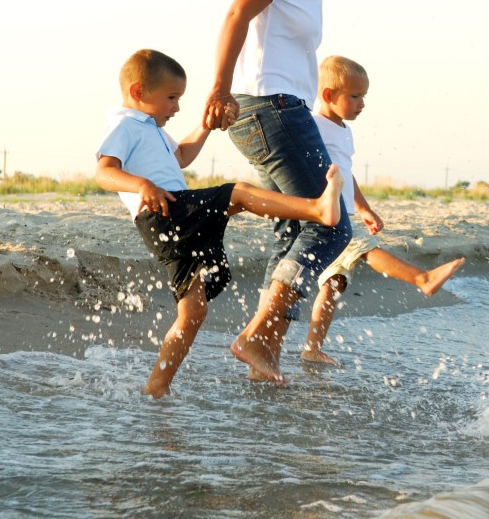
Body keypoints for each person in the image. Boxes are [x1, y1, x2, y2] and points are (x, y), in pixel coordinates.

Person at [201, 0, 395, 385]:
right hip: (271, 107)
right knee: (332, 225)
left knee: (295, 229)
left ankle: (267, 354)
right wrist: (220, 88)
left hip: (281, 108)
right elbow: (238, 11)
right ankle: (258, 337)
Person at [95, 49, 344, 398]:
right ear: (138, 92)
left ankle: (156, 389)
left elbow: (181, 155)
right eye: (171, 98)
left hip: (169, 222)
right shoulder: (124, 123)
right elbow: (104, 172)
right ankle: (317, 210)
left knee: (193, 312)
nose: (176, 107)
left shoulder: (150, 127)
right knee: (238, 194)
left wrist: (206, 126)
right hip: (165, 211)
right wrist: (141, 185)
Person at [301, 55, 466, 366]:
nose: (362, 103)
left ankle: (312, 348)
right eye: (355, 96)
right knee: (366, 248)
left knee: (333, 284)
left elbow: (346, 173)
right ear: (328, 95)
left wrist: (363, 207)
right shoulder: (313, 125)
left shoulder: (343, 130)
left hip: (345, 211)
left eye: (364, 96)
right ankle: (422, 278)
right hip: (329, 213)